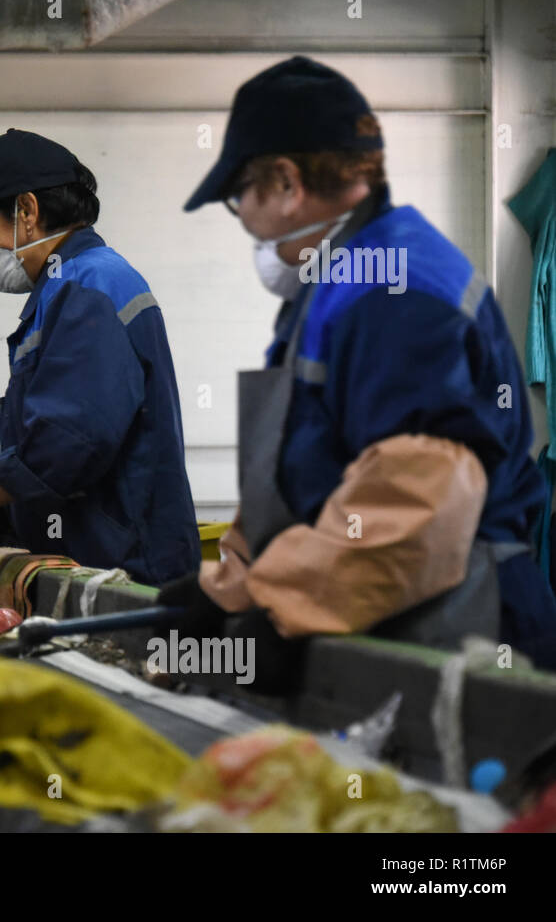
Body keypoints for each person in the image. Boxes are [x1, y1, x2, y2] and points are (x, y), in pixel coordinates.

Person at [168, 55, 556, 672]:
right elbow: (299, 472)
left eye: (238, 193)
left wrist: (276, 607)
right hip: (382, 620)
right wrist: (229, 588)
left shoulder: (395, 289)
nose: (241, 216)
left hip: (463, 636)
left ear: (289, 184)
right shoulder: (334, 285)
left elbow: (415, 497)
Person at [0, 129, 200, 585]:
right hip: (92, 559)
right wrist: (4, 512)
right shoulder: (67, 287)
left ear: (26, 211)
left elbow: (72, 437)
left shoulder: (88, 286)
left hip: (126, 570)